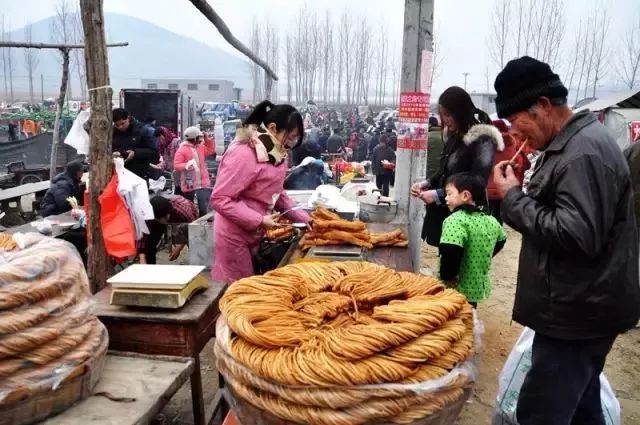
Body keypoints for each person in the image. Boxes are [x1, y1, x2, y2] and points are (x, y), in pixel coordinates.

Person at [492, 56, 640, 425]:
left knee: (540, 412)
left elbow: (576, 235)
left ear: (543, 106)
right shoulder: (570, 146)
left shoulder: (584, 152)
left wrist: (512, 198)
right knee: (582, 409)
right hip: (579, 307)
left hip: (576, 316)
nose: (513, 133)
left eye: (515, 121)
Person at [210, 100, 311, 284]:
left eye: (295, 138)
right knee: (241, 291)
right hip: (233, 235)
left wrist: (305, 219)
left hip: (256, 232)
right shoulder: (243, 153)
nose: (292, 142)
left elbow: (278, 194)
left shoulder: (278, 154)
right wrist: (259, 220)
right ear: (272, 128)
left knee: (255, 283)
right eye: (290, 136)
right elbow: (220, 198)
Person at [411, 86, 503, 246]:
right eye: (442, 114)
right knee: (446, 260)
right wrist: (426, 184)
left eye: (448, 114)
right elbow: (444, 171)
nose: (444, 119)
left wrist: (437, 195)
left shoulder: (483, 139)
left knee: (459, 265)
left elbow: (477, 183)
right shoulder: (455, 136)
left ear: (460, 112)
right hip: (447, 213)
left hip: (467, 218)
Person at [438, 172, 506, 309]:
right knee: (469, 316)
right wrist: (482, 256)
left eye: (449, 194)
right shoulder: (491, 220)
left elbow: (450, 252)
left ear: (465, 196)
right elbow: (502, 239)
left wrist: (447, 276)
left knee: (454, 323)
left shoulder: (456, 221)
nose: (446, 198)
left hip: (455, 288)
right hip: (475, 285)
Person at [486, 120, 530, 224]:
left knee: (486, 219)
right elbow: (526, 165)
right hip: (506, 189)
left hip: (487, 190)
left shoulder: (486, 145)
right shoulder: (514, 145)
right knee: (498, 219)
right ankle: (498, 236)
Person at [139, 195, 198, 265]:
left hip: (186, 219)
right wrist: (142, 258)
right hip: (157, 221)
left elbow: (192, 231)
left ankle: (197, 266)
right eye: (159, 219)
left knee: (194, 244)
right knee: (149, 244)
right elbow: (143, 238)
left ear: (169, 212)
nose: (163, 221)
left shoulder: (182, 211)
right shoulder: (149, 216)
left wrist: (179, 248)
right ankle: (150, 269)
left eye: (165, 218)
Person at [173, 126, 215, 217]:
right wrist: (187, 166)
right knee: (190, 206)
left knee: (203, 206)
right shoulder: (182, 150)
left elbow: (210, 150)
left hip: (202, 183)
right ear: (194, 138)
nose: (201, 139)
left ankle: (201, 222)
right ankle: (191, 221)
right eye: (199, 137)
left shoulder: (200, 147)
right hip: (190, 184)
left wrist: (208, 140)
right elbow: (176, 165)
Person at [112, 108, 159, 180]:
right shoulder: (112, 132)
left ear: (128, 118)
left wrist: (135, 153)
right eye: (117, 125)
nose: (120, 127)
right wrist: (115, 153)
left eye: (122, 123)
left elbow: (154, 152)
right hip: (118, 175)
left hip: (139, 175)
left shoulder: (143, 130)